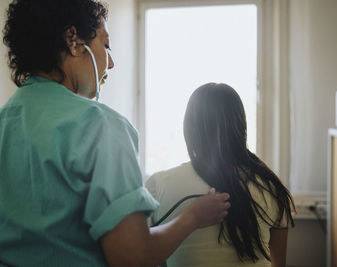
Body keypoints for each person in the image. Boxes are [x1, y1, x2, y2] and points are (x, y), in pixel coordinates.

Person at [0, 1, 230, 266]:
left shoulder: (6, 121)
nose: (110, 62)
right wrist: (193, 218)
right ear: (73, 40)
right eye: (106, 44)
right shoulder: (100, 126)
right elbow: (132, 257)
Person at [146, 83, 295, 267]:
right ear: (240, 127)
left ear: (189, 128)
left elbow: (142, 255)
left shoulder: (158, 186)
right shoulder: (271, 187)